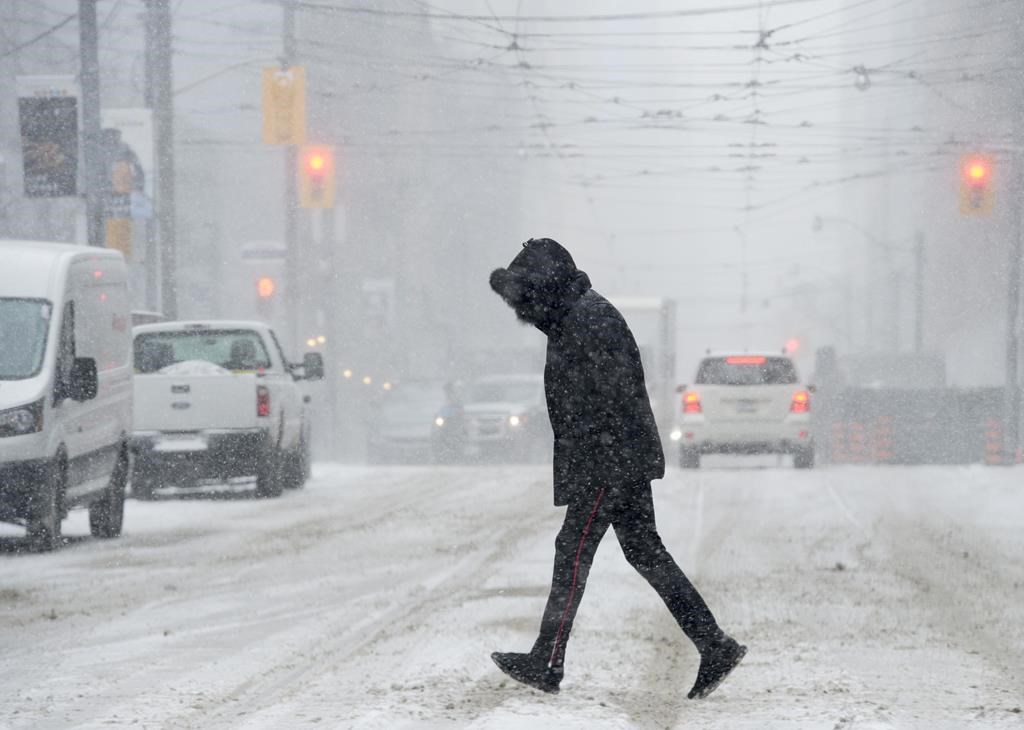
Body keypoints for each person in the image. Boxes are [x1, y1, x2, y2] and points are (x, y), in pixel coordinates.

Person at [488, 238, 746, 699]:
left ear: (547, 289)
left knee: (573, 549)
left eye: (528, 298)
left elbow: (609, 398)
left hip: (607, 462)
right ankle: (714, 645)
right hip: (616, 457)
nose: (526, 312)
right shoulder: (576, 316)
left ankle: (547, 660)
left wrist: (598, 462)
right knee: (645, 552)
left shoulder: (588, 320)